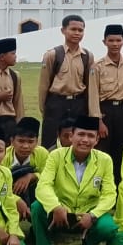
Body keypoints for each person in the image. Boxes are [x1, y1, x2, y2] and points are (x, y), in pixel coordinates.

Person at [30, 116, 118, 245]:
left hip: (88, 211)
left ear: (97, 140)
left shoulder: (105, 160)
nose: (85, 140)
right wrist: (55, 207)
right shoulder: (56, 156)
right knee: (37, 207)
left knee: (108, 227)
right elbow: (43, 186)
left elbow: (110, 194)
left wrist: (93, 215)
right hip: (61, 210)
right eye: (81, 134)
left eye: (90, 136)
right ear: (71, 136)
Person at [39, 15, 94, 149]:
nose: (77, 33)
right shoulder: (52, 55)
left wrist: (89, 109)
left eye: (80, 30)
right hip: (56, 102)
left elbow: (89, 85)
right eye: (73, 29)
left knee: (79, 140)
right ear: (63, 30)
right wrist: (45, 108)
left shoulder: (87, 56)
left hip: (78, 103)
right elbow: (44, 84)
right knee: (50, 141)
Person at [90, 24, 123, 184]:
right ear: (104, 42)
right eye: (111, 40)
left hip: (122, 110)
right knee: (102, 151)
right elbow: (93, 95)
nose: (115, 44)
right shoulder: (97, 66)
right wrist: (98, 121)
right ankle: (99, 185)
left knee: (120, 150)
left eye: (118, 40)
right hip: (104, 111)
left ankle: (116, 187)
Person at [3, 117, 48, 205]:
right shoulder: (3, 156)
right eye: (21, 141)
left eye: (30, 142)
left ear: (37, 142)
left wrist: (32, 176)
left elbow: (48, 177)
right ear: (12, 141)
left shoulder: (42, 154)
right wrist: (15, 200)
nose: (25, 146)